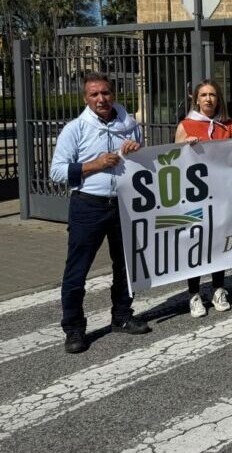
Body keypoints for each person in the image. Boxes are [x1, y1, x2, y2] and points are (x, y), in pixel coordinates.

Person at [50, 72, 150, 353]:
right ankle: (73, 329)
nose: (101, 99)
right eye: (94, 94)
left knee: (125, 266)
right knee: (77, 271)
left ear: (113, 95)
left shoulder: (129, 125)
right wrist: (93, 165)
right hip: (88, 205)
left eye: (105, 93)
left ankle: (121, 315)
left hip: (123, 204)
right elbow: (56, 171)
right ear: (86, 99)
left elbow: (140, 162)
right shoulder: (75, 129)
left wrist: (136, 151)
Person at [176, 79, 232, 318]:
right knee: (195, 243)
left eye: (212, 95)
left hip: (221, 194)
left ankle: (218, 289)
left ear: (218, 99)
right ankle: (194, 294)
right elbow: (173, 159)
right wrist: (184, 146)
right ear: (196, 98)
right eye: (204, 95)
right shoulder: (186, 125)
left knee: (219, 242)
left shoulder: (227, 125)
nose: (208, 99)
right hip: (195, 197)